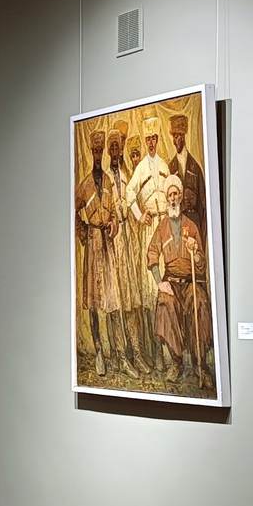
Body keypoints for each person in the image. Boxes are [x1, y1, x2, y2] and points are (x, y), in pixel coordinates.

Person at [146, 177, 212, 386]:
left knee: (199, 302)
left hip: (191, 282)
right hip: (171, 282)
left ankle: (200, 365)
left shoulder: (191, 226)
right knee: (165, 302)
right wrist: (160, 282)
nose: (173, 198)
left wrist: (196, 252)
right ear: (167, 199)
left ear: (181, 196)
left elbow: (202, 265)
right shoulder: (162, 227)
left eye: (176, 194)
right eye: (170, 195)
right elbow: (152, 254)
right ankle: (176, 362)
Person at [75, 125, 124, 377]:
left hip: (108, 244)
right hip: (93, 244)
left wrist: (113, 223)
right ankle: (98, 352)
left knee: (112, 298)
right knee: (94, 302)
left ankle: (118, 353)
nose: (97, 154)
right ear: (90, 151)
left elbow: (113, 211)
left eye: (99, 150)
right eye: (94, 150)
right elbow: (73, 211)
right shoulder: (84, 185)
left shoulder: (107, 181)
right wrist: (84, 232)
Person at [105, 124, 154, 377]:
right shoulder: (104, 178)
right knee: (117, 303)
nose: (115, 150)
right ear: (108, 151)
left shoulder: (128, 174)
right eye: (111, 147)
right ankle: (122, 357)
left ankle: (137, 353)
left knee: (132, 301)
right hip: (112, 245)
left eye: (118, 146)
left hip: (129, 240)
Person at [122, 117, 172, 363]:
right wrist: (139, 215)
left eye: (154, 139)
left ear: (158, 139)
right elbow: (128, 193)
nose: (151, 143)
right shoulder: (141, 167)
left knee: (166, 287)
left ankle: (168, 351)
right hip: (150, 228)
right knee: (152, 289)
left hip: (165, 228)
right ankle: (156, 352)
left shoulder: (164, 165)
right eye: (148, 139)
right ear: (144, 141)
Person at [166, 113, 206, 226]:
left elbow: (203, 203)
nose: (174, 141)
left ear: (183, 136)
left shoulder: (195, 167)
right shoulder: (170, 167)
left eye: (177, 136)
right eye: (173, 137)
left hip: (194, 222)